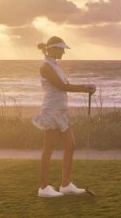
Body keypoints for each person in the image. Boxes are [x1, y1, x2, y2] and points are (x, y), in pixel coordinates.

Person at [32, 36, 96, 198]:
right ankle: (43, 187)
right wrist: (84, 88)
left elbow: (64, 86)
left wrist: (84, 87)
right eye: (61, 49)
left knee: (70, 145)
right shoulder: (46, 67)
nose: (63, 52)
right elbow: (62, 86)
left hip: (61, 110)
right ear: (52, 49)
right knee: (48, 148)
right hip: (51, 110)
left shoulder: (55, 66)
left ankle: (65, 184)